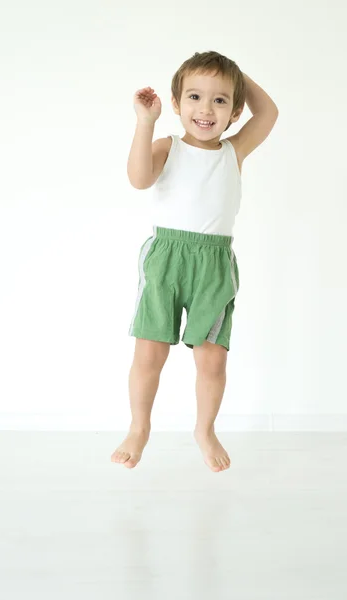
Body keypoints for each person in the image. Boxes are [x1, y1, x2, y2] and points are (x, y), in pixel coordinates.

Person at [111, 51, 279, 472]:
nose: (206, 109)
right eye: (195, 96)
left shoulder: (234, 151)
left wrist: (237, 75)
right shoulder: (168, 146)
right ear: (176, 102)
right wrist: (145, 123)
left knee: (212, 359)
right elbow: (138, 178)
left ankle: (205, 429)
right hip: (166, 259)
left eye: (220, 100)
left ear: (236, 111)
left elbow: (269, 112)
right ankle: (139, 427)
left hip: (214, 265)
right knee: (149, 353)